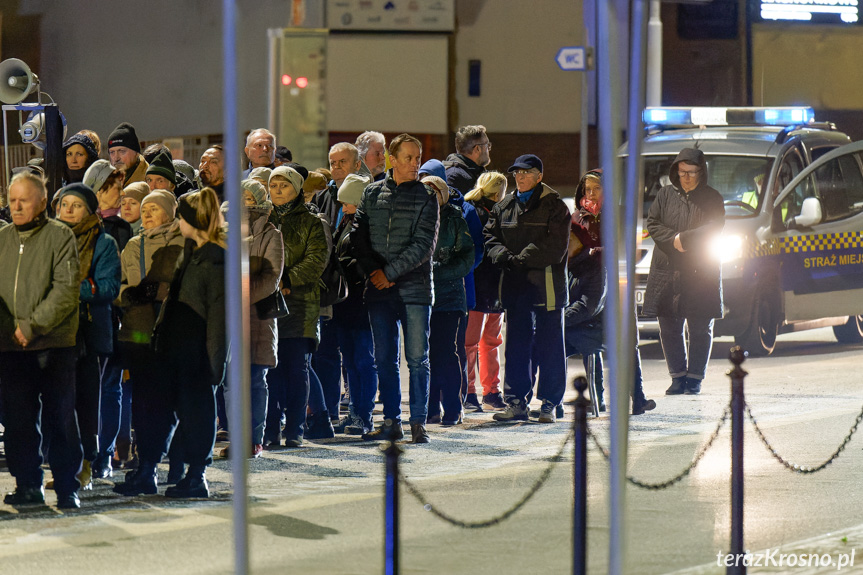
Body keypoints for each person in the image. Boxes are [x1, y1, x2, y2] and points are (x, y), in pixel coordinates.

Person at [0, 172, 82, 509]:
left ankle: (66, 486)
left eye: (24, 200)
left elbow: (65, 290)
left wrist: (32, 326)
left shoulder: (60, 236)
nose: (16, 206)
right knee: (18, 421)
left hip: (53, 344)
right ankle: (28, 484)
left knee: (60, 419)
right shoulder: (2, 238)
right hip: (10, 347)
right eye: (12, 199)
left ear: (42, 202)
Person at [352, 133, 439, 444]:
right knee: (384, 358)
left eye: (417, 158)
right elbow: (357, 236)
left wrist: (388, 272)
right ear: (392, 158)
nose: (415, 163)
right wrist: (374, 272)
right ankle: (391, 420)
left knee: (417, 359)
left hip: (414, 289)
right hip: (379, 290)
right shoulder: (371, 194)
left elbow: (423, 245)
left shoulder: (427, 197)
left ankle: (418, 422)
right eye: (409, 157)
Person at [149, 187, 227, 498]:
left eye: (181, 217)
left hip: (197, 349)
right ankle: (183, 471)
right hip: (179, 346)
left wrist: (215, 361)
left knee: (198, 412)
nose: (177, 223)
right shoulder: (192, 251)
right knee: (184, 410)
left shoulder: (216, 258)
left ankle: (198, 476)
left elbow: (220, 315)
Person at [485, 154, 570, 423]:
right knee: (517, 347)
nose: (520, 177)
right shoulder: (505, 206)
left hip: (547, 287)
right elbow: (490, 237)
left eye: (526, 172)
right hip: (516, 287)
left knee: (550, 347)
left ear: (539, 176)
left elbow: (555, 246)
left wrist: (520, 259)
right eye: (516, 173)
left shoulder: (555, 207)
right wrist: (506, 257)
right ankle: (516, 402)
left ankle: (549, 403)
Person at [113, 190, 185, 496]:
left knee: (174, 400)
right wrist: (131, 295)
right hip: (139, 331)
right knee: (143, 400)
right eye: (145, 209)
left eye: (154, 208)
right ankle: (147, 464)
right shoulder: (133, 244)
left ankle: (177, 464)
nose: (147, 213)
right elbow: (117, 285)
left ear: (170, 212)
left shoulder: (182, 242)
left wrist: (157, 292)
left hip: (172, 330)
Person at [569, 170, 656, 415]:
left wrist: (599, 252)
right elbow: (570, 256)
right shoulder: (577, 218)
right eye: (587, 189)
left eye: (596, 188)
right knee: (591, 343)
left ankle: (637, 398)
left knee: (628, 343)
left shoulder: (619, 215)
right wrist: (590, 254)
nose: (591, 193)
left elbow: (627, 248)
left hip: (618, 286)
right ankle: (597, 398)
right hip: (589, 288)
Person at [54, 183, 122, 487]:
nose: (67, 210)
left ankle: (85, 463)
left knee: (85, 400)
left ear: (89, 210)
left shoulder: (103, 242)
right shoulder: (49, 239)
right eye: (63, 204)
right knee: (58, 401)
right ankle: (63, 463)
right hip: (54, 331)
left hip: (89, 330)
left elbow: (108, 287)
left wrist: (66, 290)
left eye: (75, 205)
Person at [644, 148, 724, 396]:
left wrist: (685, 239)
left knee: (700, 325)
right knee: (669, 324)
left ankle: (695, 377)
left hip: (701, 270)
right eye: (682, 172)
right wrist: (673, 240)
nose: (686, 177)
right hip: (668, 268)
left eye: (691, 172)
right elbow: (653, 222)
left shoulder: (712, 197)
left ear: (702, 172)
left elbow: (714, 225)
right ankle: (677, 376)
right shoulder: (665, 194)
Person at [265, 166, 329, 447]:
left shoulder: (311, 221)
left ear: (298, 189)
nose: (278, 191)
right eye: (274, 186)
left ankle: (295, 429)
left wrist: (287, 278)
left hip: (300, 303)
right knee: (271, 370)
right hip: (267, 302)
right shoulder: (263, 219)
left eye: (284, 186)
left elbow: (317, 259)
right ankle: (269, 429)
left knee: (297, 368)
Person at [221, 179, 284, 458]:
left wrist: (238, 297)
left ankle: (254, 440)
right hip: (225, 316)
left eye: (248, 197)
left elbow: (271, 277)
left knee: (255, 379)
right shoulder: (222, 230)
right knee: (230, 381)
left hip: (257, 316)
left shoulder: (271, 234)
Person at [420, 159, 484, 412]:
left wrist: (441, 272)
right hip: (423, 295)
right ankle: (431, 407)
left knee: (450, 351)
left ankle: (453, 405)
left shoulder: (461, 213)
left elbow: (472, 252)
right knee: (427, 354)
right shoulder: (417, 216)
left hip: (453, 293)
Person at [331, 173, 378, 435]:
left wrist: (347, 266)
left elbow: (367, 259)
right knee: (350, 361)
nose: (342, 206)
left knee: (363, 360)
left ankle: (365, 414)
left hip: (361, 302)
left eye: (347, 202)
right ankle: (355, 413)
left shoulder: (367, 224)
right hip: (347, 303)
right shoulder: (347, 222)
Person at [463, 171, 508, 410]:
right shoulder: (484, 214)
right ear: (498, 192)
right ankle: (483, 391)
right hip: (488, 287)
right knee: (486, 342)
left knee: (477, 342)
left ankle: (477, 391)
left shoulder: (474, 211)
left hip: (483, 286)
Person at [83, 159, 133, 251]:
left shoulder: (124, 227)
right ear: (99, 192)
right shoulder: (83, 226)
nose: (123, 193)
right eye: (117, 188)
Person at [444, 125, 490, 196]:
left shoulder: (474, 172)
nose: (489, 149)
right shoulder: (454, 177)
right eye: (487, 145)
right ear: (477, 149)